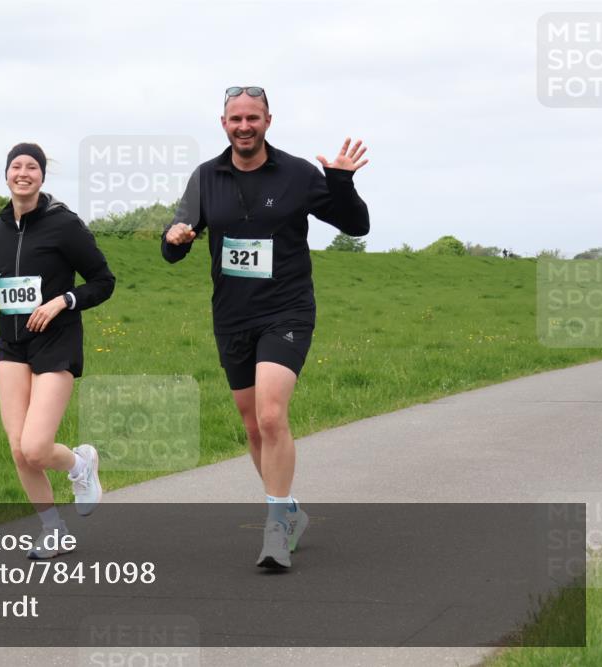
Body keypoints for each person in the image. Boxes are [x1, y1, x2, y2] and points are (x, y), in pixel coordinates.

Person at [162, 86, 370, 569]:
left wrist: (340, 182)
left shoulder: (297, 174)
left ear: (268, 121)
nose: (244, 126)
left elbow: (356, 225)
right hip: (232, 315)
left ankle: (275, 527)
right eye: (236, 118)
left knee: (272, 415)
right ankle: (289, 510)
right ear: (223, 124)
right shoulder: (205, 177)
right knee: (254, 425)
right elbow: (174, 245)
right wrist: (174, 238)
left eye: (253, 118)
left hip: (286, 310)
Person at [0, 143, 116, 559]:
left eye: (31, 167)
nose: (23, 172)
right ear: (6, 174)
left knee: (36, 448)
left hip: (55, 342)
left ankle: (80, 465)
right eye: (16, 166)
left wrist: (63, 300)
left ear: (42, 176)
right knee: (18, 448)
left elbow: (103, 281)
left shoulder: (65, 224)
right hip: (12, 346)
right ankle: (53, 530)